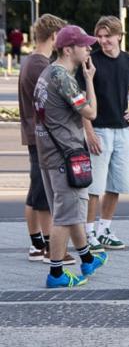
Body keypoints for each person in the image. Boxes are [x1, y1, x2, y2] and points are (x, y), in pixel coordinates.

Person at [33, 25, 108, 288]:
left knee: (72, 210)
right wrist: (89, 80)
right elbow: (91, 113)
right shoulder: (63, 77)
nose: (89, 48)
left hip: (50, 155)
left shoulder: (47, 73)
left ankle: (87, 259)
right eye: (84, 45)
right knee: (64, 218)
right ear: (68, 49)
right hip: (65, 156)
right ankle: (56, 274)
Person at [78, 16, 129, 252]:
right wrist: (89, 132)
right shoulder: (91, 62)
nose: (103, 41)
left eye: (107, 36)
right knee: (94, 187)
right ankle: (89, 234)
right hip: (98, 129)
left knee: (116, 185)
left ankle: (104, 230)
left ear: (119, 36)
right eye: (99, 37)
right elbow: (80, 99)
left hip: (122, 131)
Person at [18, 14, 72, 264]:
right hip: (42, 136)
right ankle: (48, 247)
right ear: (53, 37)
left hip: (32, 133)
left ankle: (37, 244)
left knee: (35, 190)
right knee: (42, 193)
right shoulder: (41, 66)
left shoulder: (30, 61)